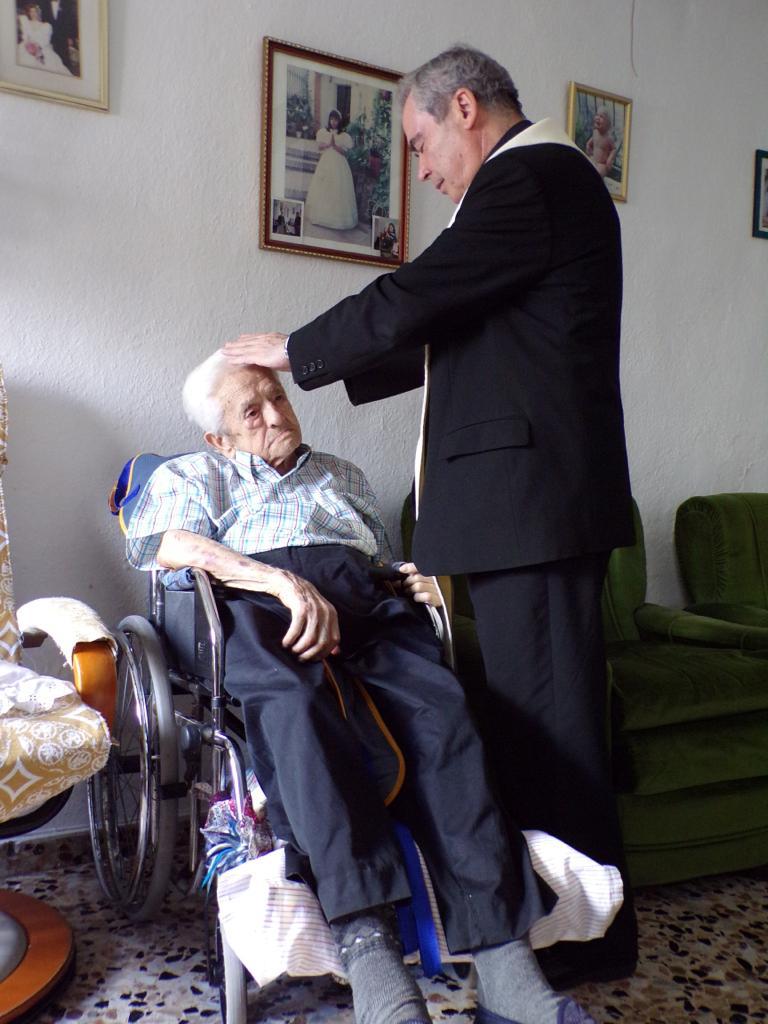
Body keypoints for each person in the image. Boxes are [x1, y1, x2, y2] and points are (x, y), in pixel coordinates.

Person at [222, 44, 637, 990]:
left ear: (463, 108)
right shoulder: (527, 197)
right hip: (520, 511)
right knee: (528, 725)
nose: (418, 169)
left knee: (556, 730)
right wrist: (335, 366)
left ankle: (587, 945)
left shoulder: (530, 177)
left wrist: (299, 349)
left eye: (417, 144)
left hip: (533, 509)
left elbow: (422, 294)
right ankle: (546, 936)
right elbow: (444, 332)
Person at [126, 353, 601, 1024]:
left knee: (444, 712)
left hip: (365, 606)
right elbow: (166, 545)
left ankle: (503, 957)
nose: (273, 415)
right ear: (219, 438)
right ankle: (368, 946)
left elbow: (376, 560)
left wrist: (416, 577)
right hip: (259, 604)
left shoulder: (342, 476)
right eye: (250, 411)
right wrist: (282, 585)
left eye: (278, 399)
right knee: (296, 712)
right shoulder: (194, 474)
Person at [305, 109, 359, 231]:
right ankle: (321, 216)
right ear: (329, 120)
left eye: (336, 120)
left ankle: (337, 219)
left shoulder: (344, 136)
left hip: (339, 163)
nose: (333, 122)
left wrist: (335, 146)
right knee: (324, 186)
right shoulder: (324, 132)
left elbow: (345, 153)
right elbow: (319, 147)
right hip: (326, 161)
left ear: (339, 121)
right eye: (332, 119)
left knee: (338, 187)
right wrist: (329, 144)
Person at [16, 3, 72, 76]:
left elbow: (45, 40)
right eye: (31, 12)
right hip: (27, 46)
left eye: (35, 11)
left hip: (41, 47)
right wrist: (28, 45)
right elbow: (25, 36)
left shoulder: (46, 26)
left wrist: (37, 47)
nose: (33, 14)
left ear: (38, 13)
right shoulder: (26, 23)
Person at [585, 107, 616, 178]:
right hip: (593, 159)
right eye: (597, 115)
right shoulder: (595, 132)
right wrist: (588, 145)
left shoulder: (608, 138)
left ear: (607, 123)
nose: (597, 118)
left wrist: (609, 160)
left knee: (598, 173)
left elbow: (613, 149)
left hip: (602, 164)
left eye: (601, 117)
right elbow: (593, 139)